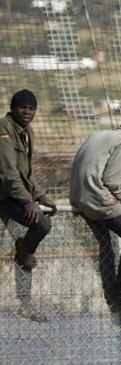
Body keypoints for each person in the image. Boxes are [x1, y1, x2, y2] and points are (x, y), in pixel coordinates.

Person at [69, 112, 121, 307]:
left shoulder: (98, 135)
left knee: (107, 244)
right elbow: (112, 182)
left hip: (77, 197)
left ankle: (113, 294)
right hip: (96, 199)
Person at [0, 89, 57, 320]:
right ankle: (24, 251)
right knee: (38, 227)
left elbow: (26, 172)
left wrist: (40, 196)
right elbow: (7, 172)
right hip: (6, 197)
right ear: (13, 108)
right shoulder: (4, 129)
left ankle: (25, 303)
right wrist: (27, 200)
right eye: (23, 107)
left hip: (11, 197)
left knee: (34, 233)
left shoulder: (26, 132)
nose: (27, 112)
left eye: (31, 108)